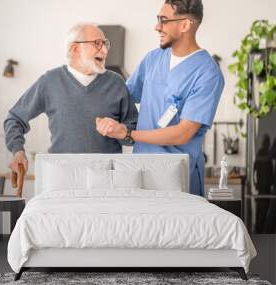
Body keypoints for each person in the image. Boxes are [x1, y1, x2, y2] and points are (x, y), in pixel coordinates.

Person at [95, 0, 224, 196]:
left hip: (177, 177)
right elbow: (123, 98)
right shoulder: (153, 59)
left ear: (185, 25)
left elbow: (183, 133)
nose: (157, 27)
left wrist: (129, 134)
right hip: (140, 171)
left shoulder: (207, 73)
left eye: (163, 20)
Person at [4, 23, 138, 177]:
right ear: (75, 49)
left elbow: (133, 133)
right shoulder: (50, 81)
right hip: (62, 177)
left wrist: (121, 131)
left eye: (106, 44)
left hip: (107, 179)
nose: (105, 50)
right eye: (98, 44)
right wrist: (17, 151)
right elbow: (14, 118)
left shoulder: (116, 82)